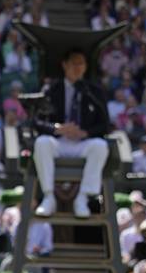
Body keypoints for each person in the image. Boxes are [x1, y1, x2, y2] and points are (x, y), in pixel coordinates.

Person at [31, 48, 111, 218]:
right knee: (41, 143)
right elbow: (36, 121)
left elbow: (104, 124)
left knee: (100, 146)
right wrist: (57, 128)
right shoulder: (51, 88)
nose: (78, 67)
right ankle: (48, 196)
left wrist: (85, 133)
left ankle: (83, 198)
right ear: (64, 65)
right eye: (74, 63)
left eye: (81, 63)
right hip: (58, 142)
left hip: (82, 143)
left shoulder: (93, 91)